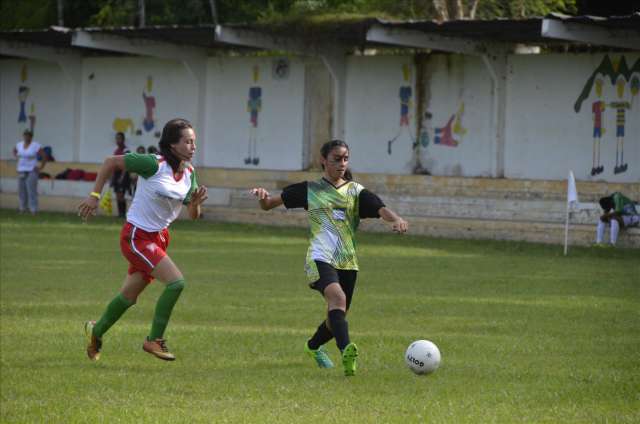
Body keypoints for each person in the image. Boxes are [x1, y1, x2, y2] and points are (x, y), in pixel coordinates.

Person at [250, 140, 408, 376]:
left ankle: (312, 347)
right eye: (337, 159)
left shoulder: (355, 191)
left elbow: (381, 209)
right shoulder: (310, 189)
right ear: (323, 160)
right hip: (319, 257)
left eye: (345, 159)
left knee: (336, 317)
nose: (342, 164)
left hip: (348, 262)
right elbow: (269, 205)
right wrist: (263, 197)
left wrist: (396, 219)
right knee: (337, 298)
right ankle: (346, 351)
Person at [77, 118, 208, 362]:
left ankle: (95, 332)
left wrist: (197, 204)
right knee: (176, 283)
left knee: (129, 296)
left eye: (194, 142)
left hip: (159, 238)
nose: (193, 146)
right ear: (172, 145)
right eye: (187, 141)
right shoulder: (153, 164)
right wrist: (94, 196)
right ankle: (154, 340)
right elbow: (110, 162)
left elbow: (193, 215)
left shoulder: (189, 173)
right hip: (137, 236)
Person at [13, 129, 47, 214]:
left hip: (32, 170)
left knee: (31, 190)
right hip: (21, 169)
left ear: (31, 137)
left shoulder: (35, 145)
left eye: (28, 135)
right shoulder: (19, 145)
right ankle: (22, 208)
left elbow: (44, 155)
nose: (26, 137)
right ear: (23, 136)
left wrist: (41, 167)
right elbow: (14, 151)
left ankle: (33, 209)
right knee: (21, 190)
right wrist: (16, 157)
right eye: (25, 135)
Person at [111, 132, 132, 218]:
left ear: (123, 139)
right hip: (116, 174)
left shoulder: (126, 150)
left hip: (123, 174)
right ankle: (120, 213)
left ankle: (123, 214)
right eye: (116, 138)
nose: (117, 140)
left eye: (119, 138)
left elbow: (127, 163)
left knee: (121, 194)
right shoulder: (116, 150)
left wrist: (122, 176)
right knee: (117, 194)